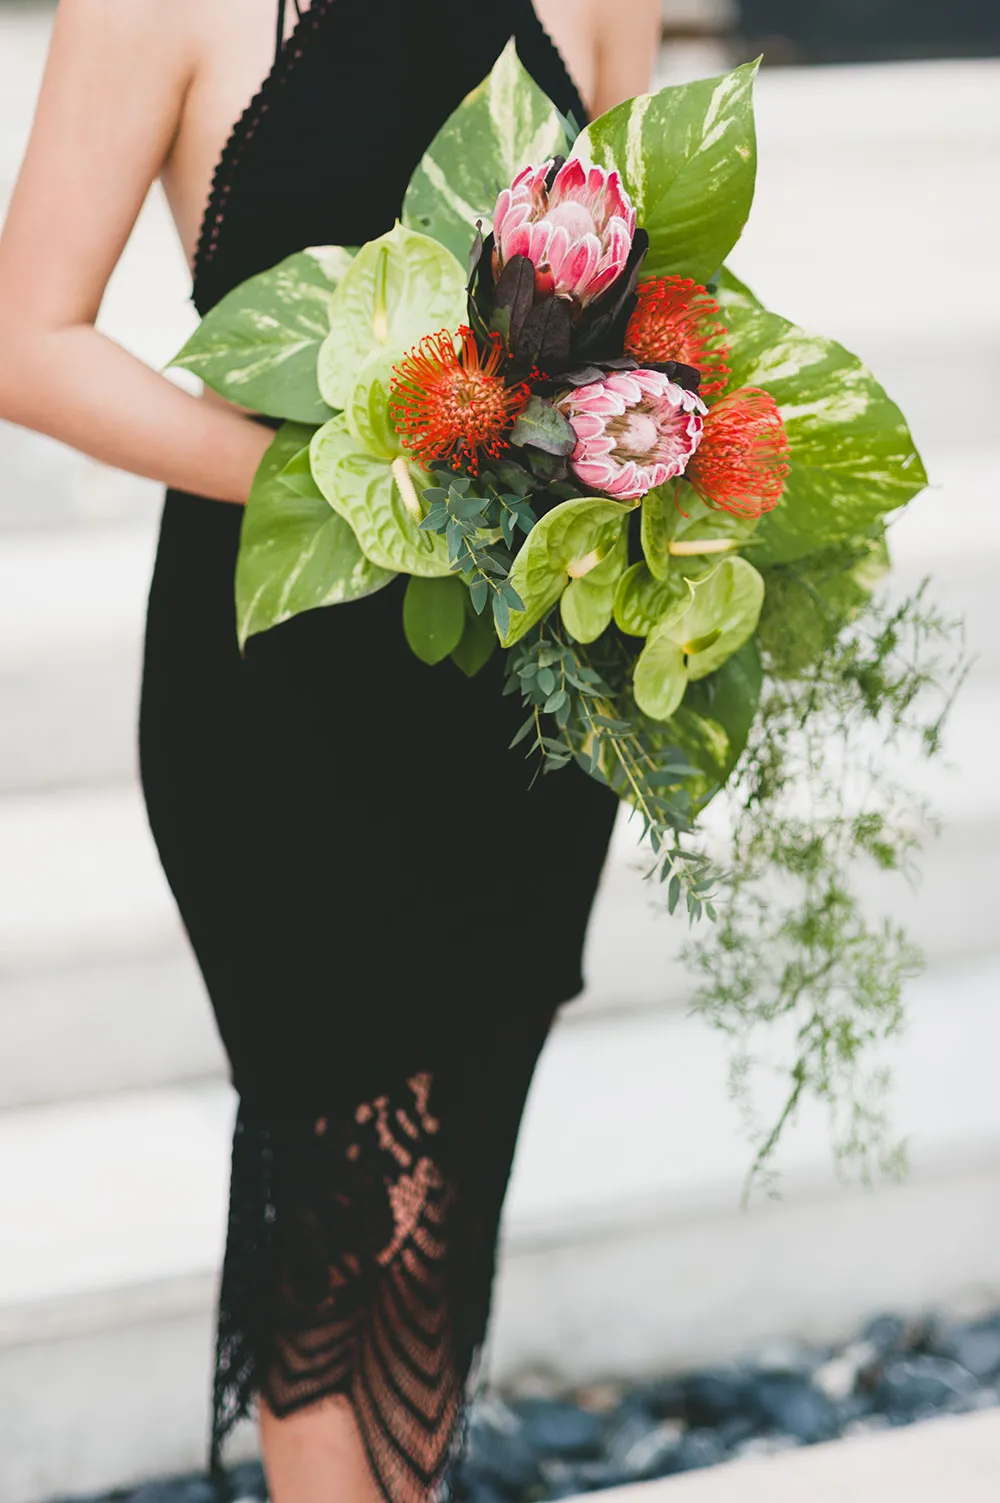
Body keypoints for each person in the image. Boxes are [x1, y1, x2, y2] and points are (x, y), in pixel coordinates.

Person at [0, 2, 664, 1500]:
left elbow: (652, 293)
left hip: (525, 689)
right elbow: (27, 343)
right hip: (285, 689)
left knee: (443, 1217)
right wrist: (367, 489)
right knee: (343, 1232)